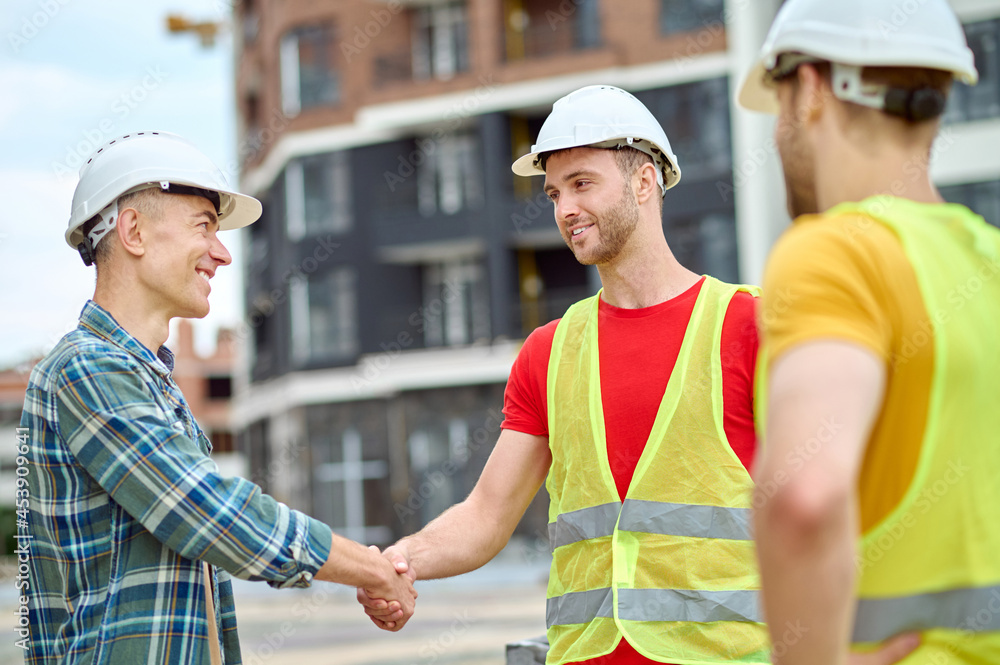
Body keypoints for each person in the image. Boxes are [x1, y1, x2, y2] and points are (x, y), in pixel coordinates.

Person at [360, 85, 772, 663]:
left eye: (582, 183)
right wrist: (396, 563)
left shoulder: (750, 326)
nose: (564, 209)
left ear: (644, 181)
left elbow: (829, 503)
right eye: (554, 193)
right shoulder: (548, 353)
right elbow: (485, 515)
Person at [19, 131, 416, 665]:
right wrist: (370, 570)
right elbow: (209, 512)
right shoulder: (87, 368)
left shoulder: (144, 378)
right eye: (204, 227)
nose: (222, 253)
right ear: (133, 231)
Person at [738, 0, 1000, 663]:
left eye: (779, 107)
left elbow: (805, 495)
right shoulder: (988, 260)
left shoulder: (835, 251)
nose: (777, 134)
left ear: (814, 90)